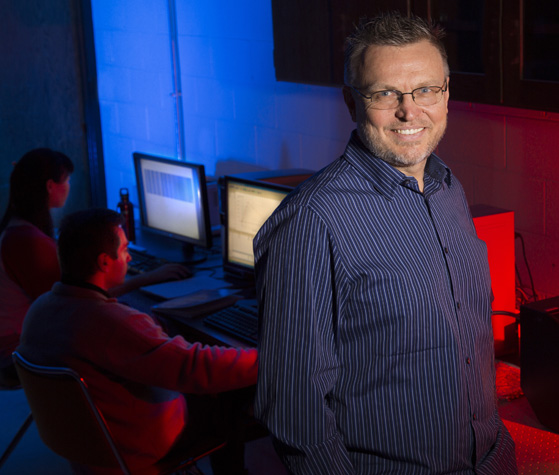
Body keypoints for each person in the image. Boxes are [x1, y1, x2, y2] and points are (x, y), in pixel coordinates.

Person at [253, 12, 518, 475]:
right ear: (352, 104)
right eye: (384, 94)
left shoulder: (446, 188)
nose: (409, 110)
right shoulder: (311, 221)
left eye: (426, 90)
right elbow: (295, 413)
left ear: (447, 94)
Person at [16, 208, 258, 474]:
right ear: (104, 262)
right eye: (124, 250)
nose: (129, 256)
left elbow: (90, 308)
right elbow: (194, 367)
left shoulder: (39, 310)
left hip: (87, 443)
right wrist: (269, 356)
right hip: (137, 445)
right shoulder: (114, 324)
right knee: (230, 392)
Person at [0, 148, 189, 385]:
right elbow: (74, 300)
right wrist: (148, 277)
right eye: (67, 180)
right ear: (50, 186)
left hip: (26, 345)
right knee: (139, 337)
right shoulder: (28, 242)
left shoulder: (19, 229)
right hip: (17, 353)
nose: (69, 185)